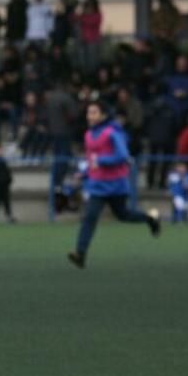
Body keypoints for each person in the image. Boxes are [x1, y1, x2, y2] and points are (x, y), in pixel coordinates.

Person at [67, 99, 160, 269]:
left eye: (94, 112)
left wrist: (101, 161)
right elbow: (91, 160)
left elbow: (123, 156)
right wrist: (85, 173)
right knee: (89, 217)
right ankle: (80, 254)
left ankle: (150, 219)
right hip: (97, 185)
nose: (90, 116)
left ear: (103, 115)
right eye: (89, 112)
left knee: (123, 215)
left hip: (116, 184)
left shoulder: (112, 133)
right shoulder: (88, 135)